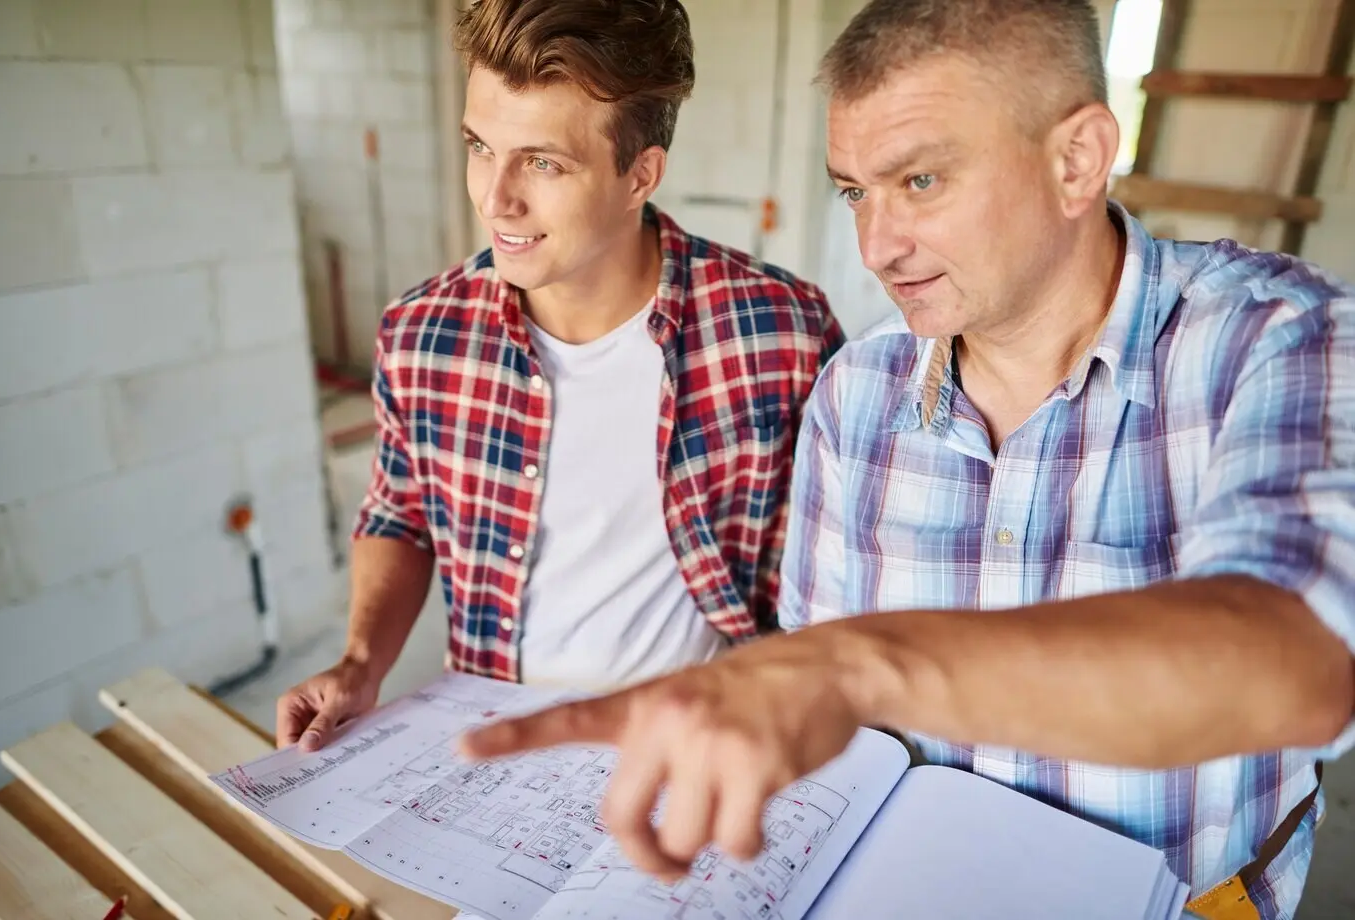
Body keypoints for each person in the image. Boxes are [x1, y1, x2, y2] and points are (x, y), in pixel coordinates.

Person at [457, 1, 1355, 917]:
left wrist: (857, 667)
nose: (876, 246)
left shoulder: (1281, 337)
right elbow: (845, 746)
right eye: (854, 191)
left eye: (919, 181)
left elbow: (1303, 668)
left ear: (1076, 159)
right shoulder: (857, 393)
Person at [276, 0, 844, 755]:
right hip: (498, 740)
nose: (494, 196)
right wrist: (361, 661)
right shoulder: (422, 336)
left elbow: (824, 579)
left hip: (701, 746)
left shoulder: (782, 334)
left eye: (543, 162)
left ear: (640, 173)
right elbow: (400, 514)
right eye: (480, 146)